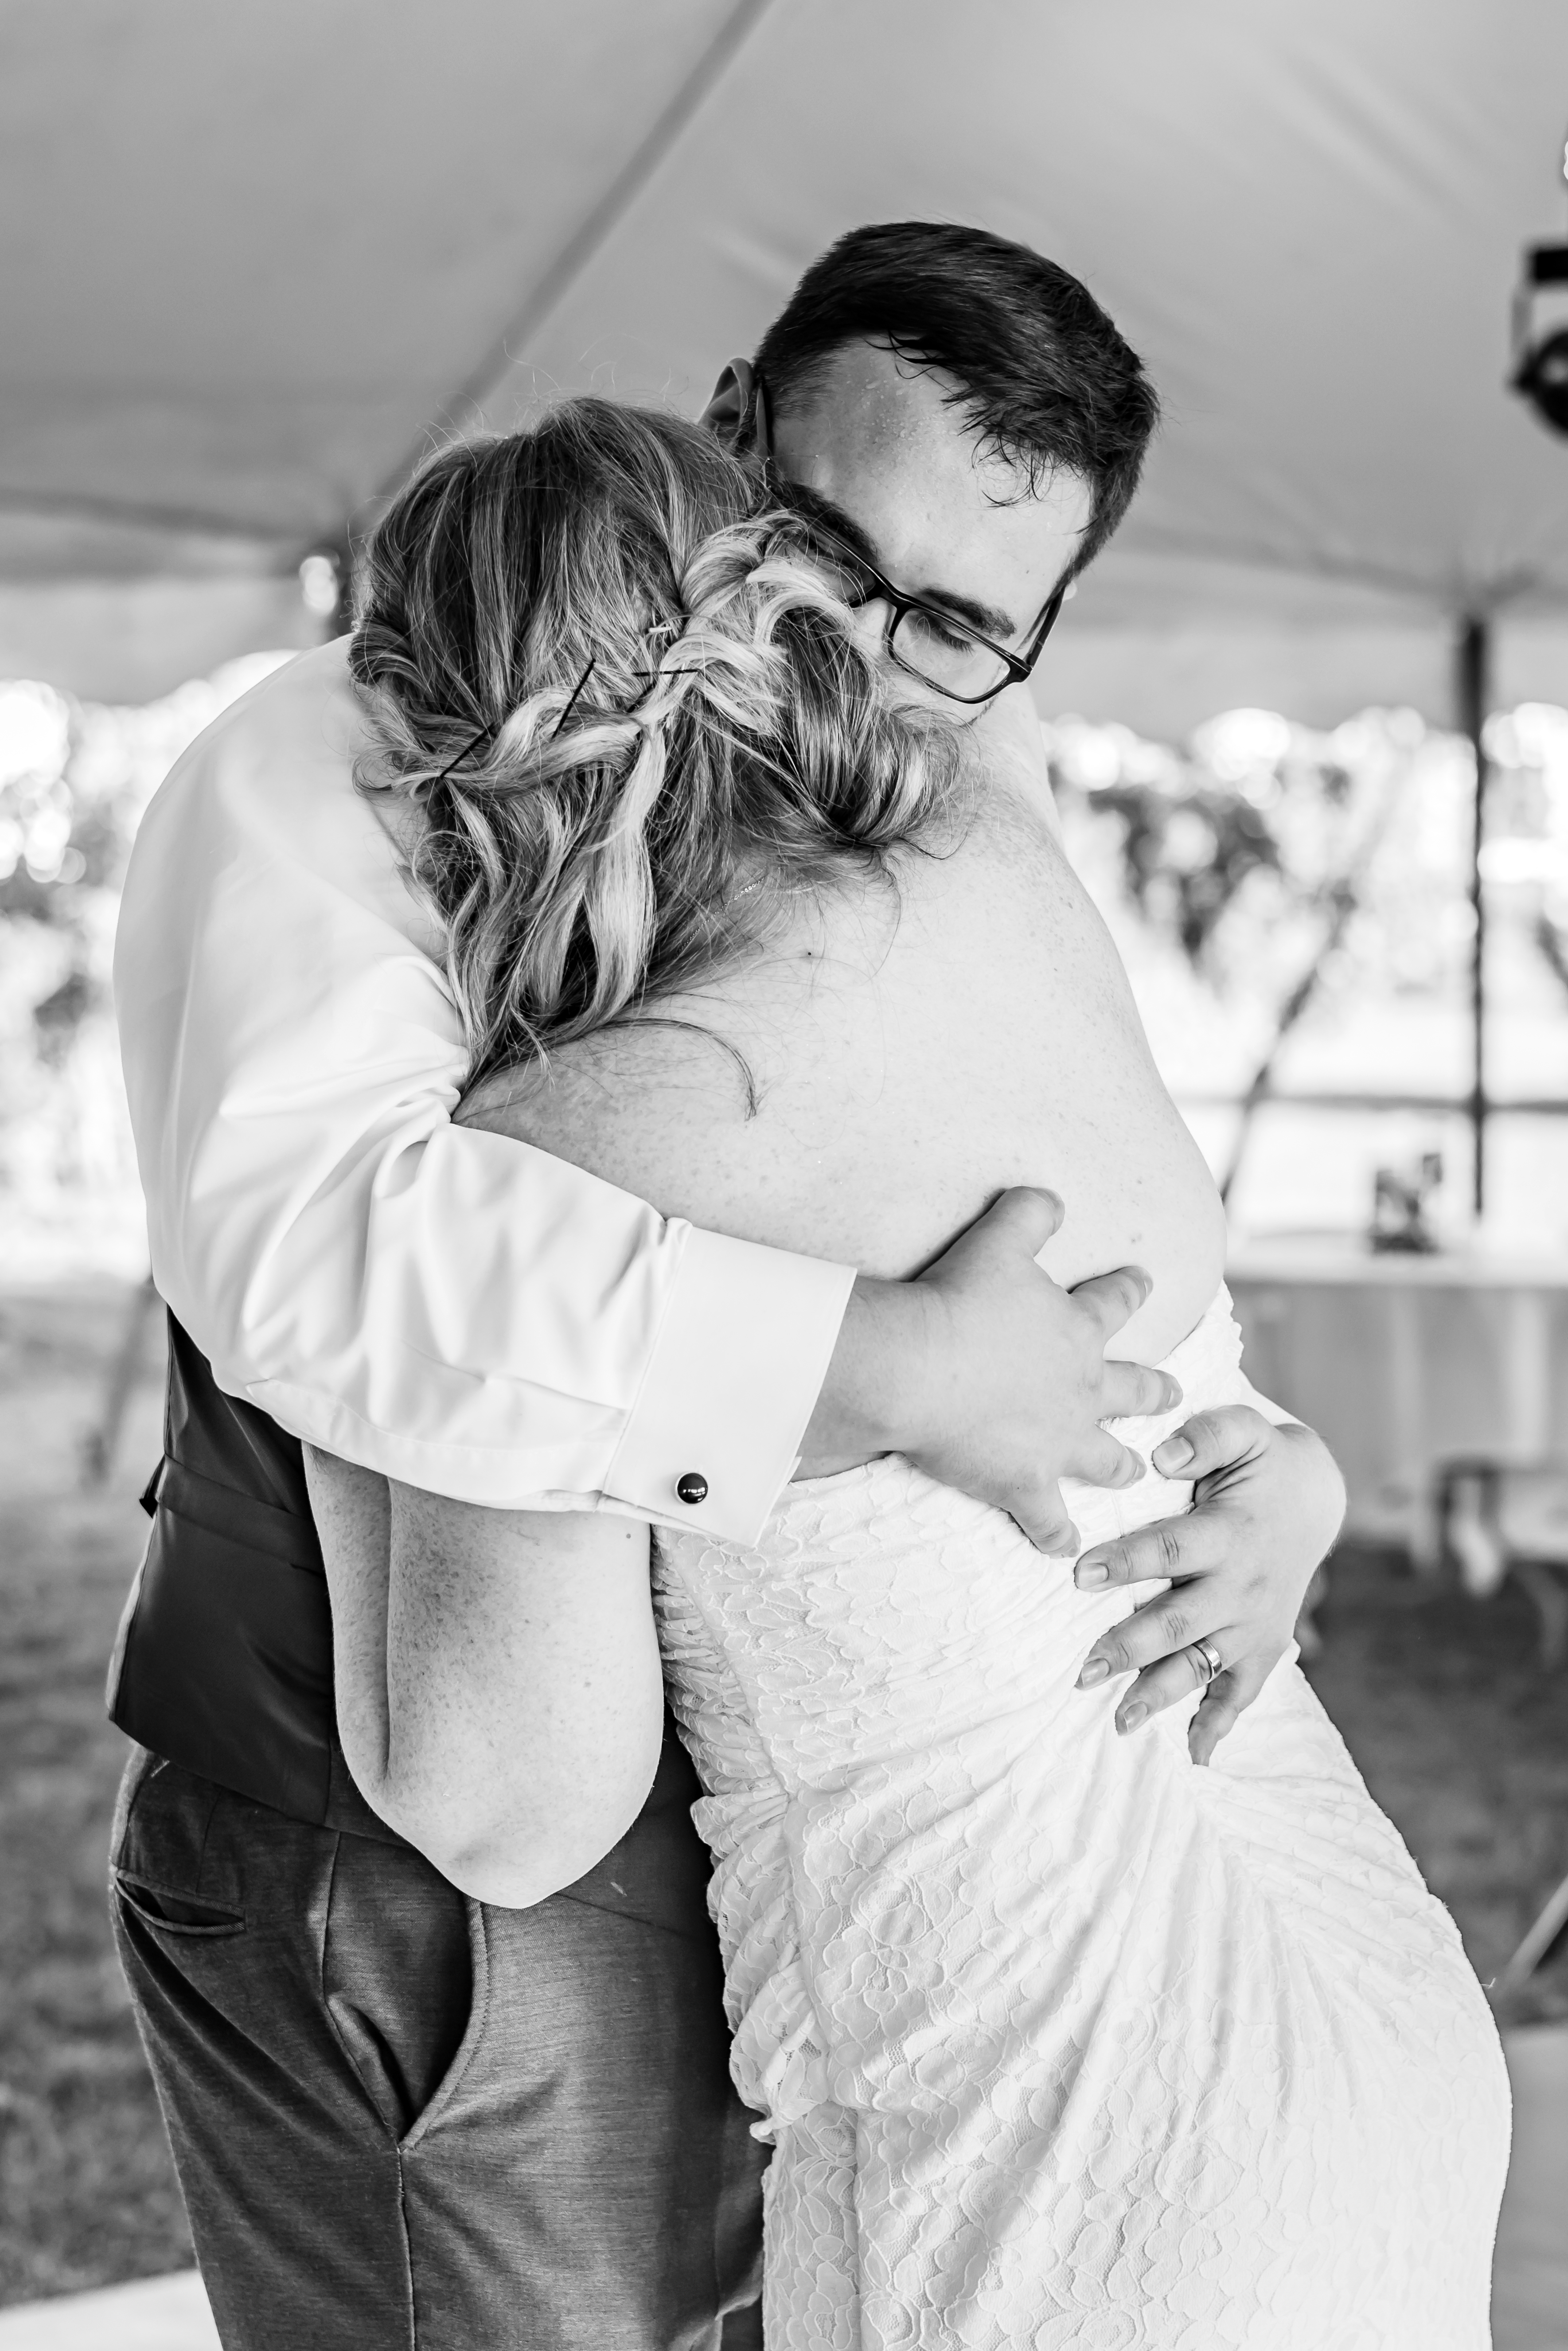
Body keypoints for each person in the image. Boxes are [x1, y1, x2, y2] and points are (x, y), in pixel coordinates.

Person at [110, 227, 1352, 2350]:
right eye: (821, 551)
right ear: (727, 432)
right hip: (420, 1820)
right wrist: (887, 1366)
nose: (859, 653)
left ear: (1037, 643)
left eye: (958, 625)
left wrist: (1262, 1484)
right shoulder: (346, 746)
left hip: (821, 1846)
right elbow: (325, 1244)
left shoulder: (954, 785)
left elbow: (1056, 1224)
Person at [312, 393, 1511, 2348]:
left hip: (1065, 2146)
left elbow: (507, 1800)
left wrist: (364, 1375)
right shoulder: (1000, 873)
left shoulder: (556, 1150)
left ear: (458, 751)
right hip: (1370, 2011)